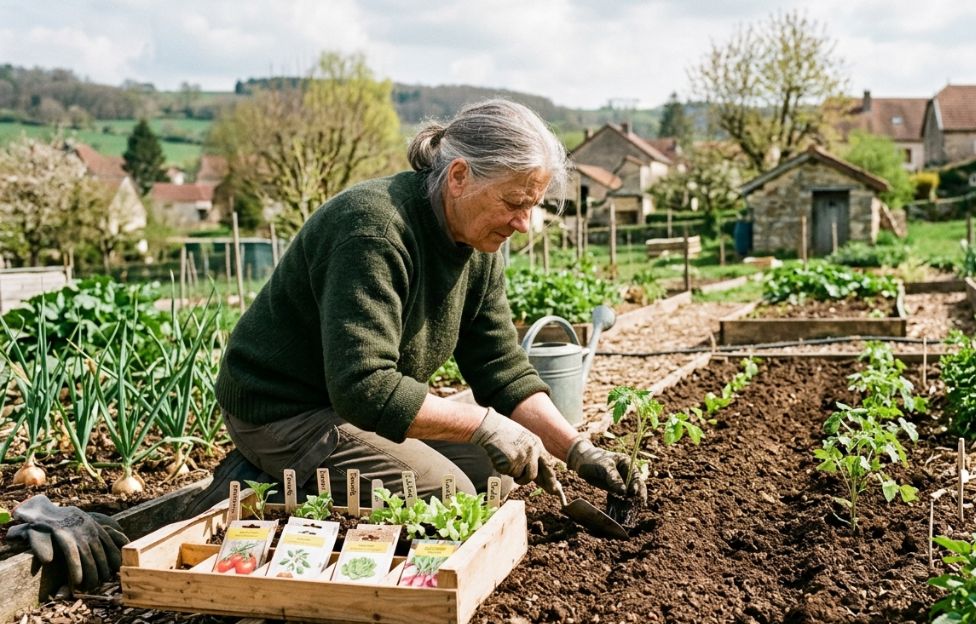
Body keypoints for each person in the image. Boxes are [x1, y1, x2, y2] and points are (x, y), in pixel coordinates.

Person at [196, 99, 645, 511]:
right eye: (514, 202)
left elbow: (501, 367)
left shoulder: (477, 245)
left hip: (354, 406)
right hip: (285, 408)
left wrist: (577, 450)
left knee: (495, 479)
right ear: (459, 177)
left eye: (533, 206)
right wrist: (484, 425)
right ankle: (264, 477)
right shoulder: (375, 232)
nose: (524, 224)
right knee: (452, 500)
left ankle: (301, 473)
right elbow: (364, 386)